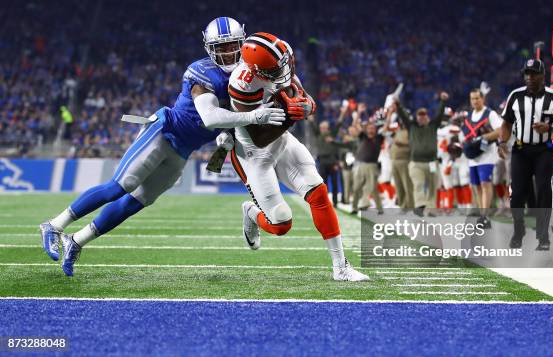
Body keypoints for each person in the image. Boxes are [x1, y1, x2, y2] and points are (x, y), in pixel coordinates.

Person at [39, 17, 286, 276]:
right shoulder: (202, 72)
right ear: (209, 48)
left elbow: (230, 117)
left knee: (135, 202)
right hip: (164, 131)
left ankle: (76, 241)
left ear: (243, 43)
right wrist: (253, 116)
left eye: (231, 45)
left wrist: (229, 135)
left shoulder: (250, 76)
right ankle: (54, 225)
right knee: (119, 187)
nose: (226, 52)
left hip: (183, 151)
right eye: (220, 47)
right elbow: (210, 117)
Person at [221, 32, 369, 281]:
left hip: (281, 139)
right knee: (281, 225)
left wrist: (306, 107)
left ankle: (341, 268)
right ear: (259, 71)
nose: (285, 69)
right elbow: (259, 137)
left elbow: (306, 99)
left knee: (319, 193)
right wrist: (289, 114)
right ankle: (251, 213)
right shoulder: (242, 85)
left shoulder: (277, 66)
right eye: (277, 67)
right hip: (254, 153)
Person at [498, 59, 553, 250]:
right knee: (517, 193)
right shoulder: (515, 95)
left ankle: (543, 236)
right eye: (526, 74)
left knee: (544, 191)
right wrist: (502, 142)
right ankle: (518, 229)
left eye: (533, 73)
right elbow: (506, 123)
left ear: (542, 75)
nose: (529, 77)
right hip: (521, 150)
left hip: (544, 150)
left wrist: (550, 127)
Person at [396, 93, 447, 217]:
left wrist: (443, 102)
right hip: (416, 162)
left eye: (424, 115)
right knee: (418, 184)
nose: (422, 117)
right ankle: (420, 205)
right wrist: (398, 105)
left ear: (427, 116)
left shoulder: (433, 126)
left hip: (431, 162)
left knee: (432, 187)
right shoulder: (411, 126)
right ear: (416, 117)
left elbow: (440, 115)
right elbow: (403, 116)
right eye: (420, 115)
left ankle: (431, 210)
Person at [461, 88, 502, 228]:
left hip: (487, 155)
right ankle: (481, 214)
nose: (475, 101)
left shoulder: (490, 114)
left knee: (485, 183)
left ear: (483, 99)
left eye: (477, 98)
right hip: (473, 157)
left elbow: (500, 131)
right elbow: (465, 135)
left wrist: (484, 137)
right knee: (476, 185)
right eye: (472, 99)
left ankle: (485, 216)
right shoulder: (468, 116)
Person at [385, 101, 414, 212]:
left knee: (407, 185)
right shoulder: (397, 130)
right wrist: (390, 113)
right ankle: (403, 206)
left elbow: (413, 145)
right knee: (399, 185)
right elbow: (385, 130)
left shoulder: (411, 130)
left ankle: (411, 207)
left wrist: (402, 144)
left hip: (405, 160)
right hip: (394, 160)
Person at [308, 116, 341, 206]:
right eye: (321, 128)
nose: (323, 129)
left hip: (332, 162)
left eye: (324, 128)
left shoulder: (332, 135)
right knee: (323, 185)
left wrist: (342, 113)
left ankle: (335, 202)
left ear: (328, 128)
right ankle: (325, 201)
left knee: (334, 184)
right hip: (322, 162)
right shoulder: (318, 135)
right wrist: (311, 120)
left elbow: (338, 125)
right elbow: (313, 126)